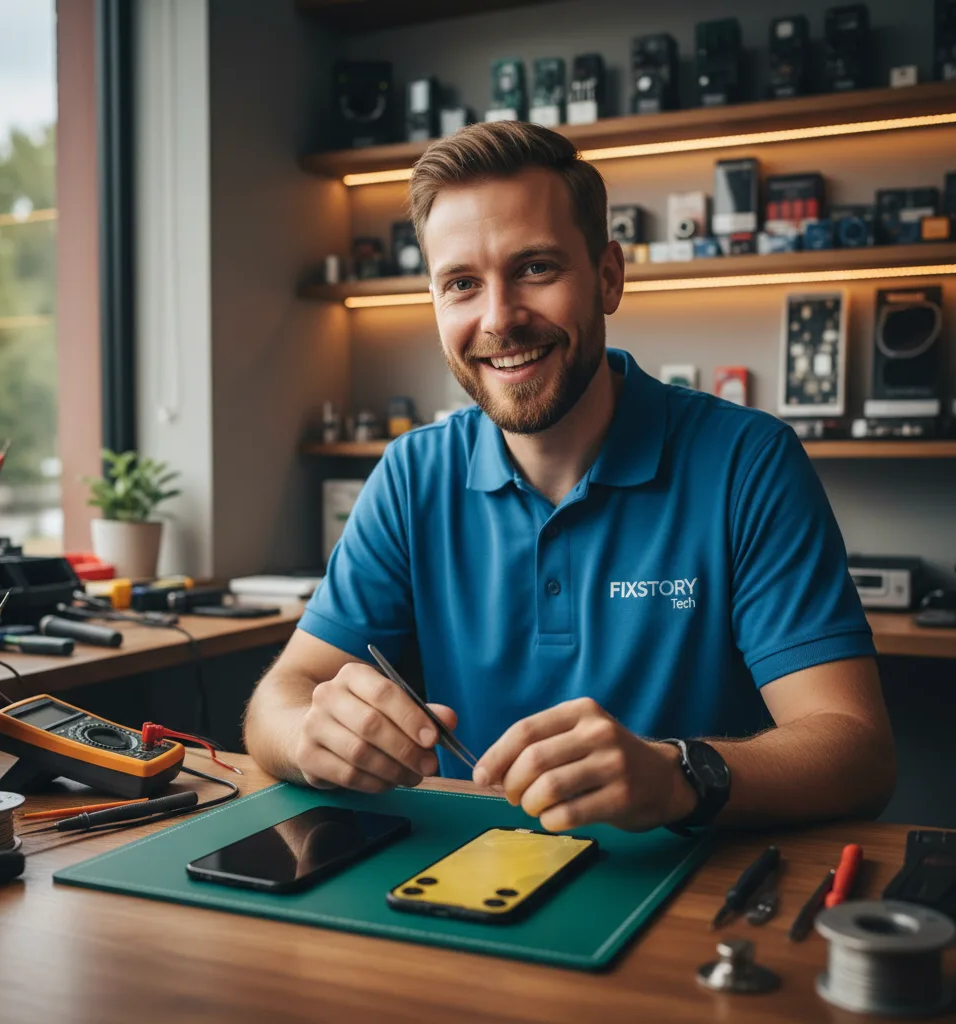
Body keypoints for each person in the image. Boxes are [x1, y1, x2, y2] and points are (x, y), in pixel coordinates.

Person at [245, 121, 895, 834]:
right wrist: (313, 736)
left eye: (535, 269)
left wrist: (677, 773)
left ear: (608, 276)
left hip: (687, 879)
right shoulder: (411, 475)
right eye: (461, 284)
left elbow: (857, 751)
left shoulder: (748, 461)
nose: (499, 319)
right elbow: (280, 699)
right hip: (470, 873)